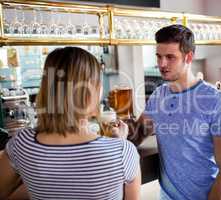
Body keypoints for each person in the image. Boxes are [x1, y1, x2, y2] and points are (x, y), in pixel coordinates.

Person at [0, 47, 140, 200]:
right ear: (95, 91)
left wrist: (36, 181)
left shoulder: (22, 143)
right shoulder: (123, 152)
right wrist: (118, 144)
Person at [129, 24, 221, 200]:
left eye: (170, 57)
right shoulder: (159, 95)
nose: (162, 64)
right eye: (159, 56)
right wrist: (117, 126)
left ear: (189, 57)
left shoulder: (215, 101)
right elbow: (138, 134)